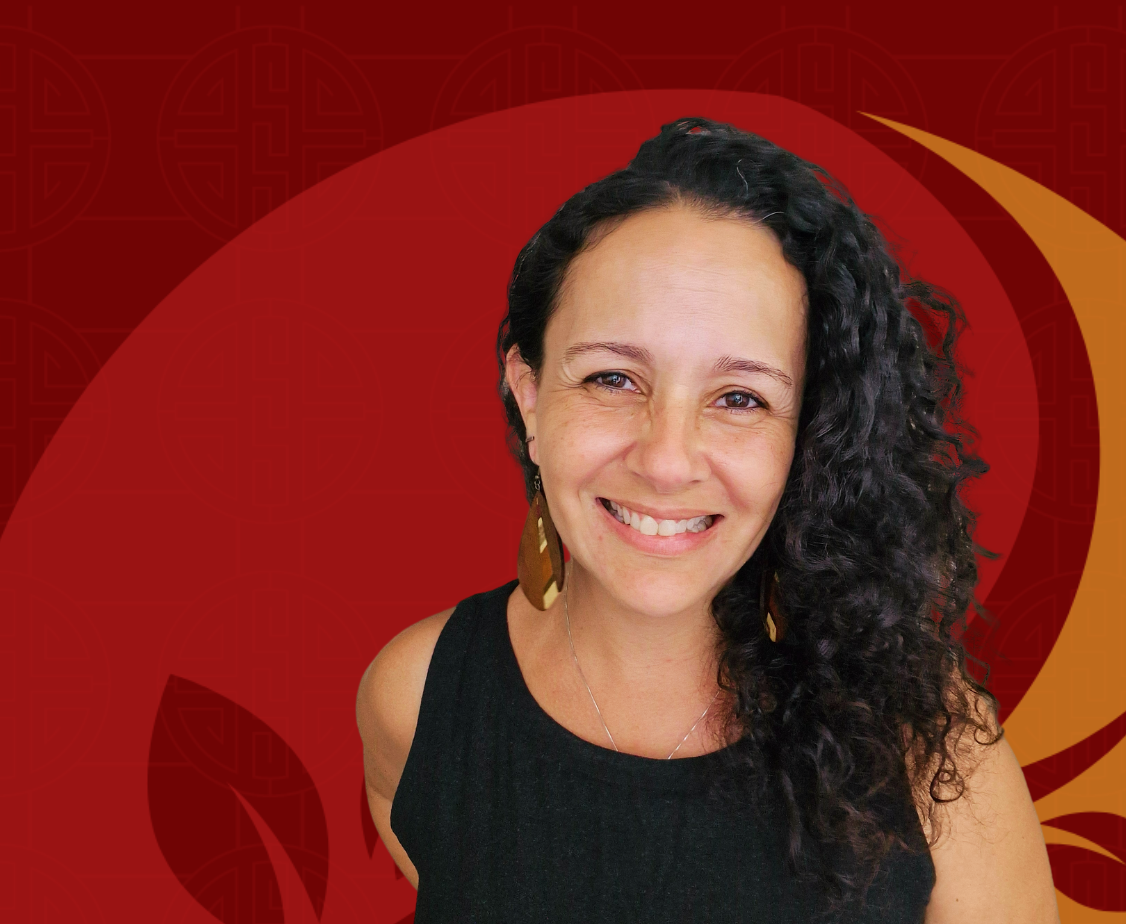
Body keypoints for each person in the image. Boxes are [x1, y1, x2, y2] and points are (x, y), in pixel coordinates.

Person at [356, 116, 1059, 922]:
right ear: (530, 396)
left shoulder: (924, 739)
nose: (666, 459)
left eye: (740, 398)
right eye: (613, 379)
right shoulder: (415, 697)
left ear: (807, 436)